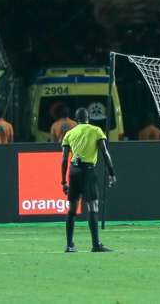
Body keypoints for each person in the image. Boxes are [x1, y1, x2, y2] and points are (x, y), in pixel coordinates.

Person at [61, 107, 116, 253]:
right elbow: (105, 152)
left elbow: (64, 159)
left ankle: (69, 245)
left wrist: (63, 181)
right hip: (87, 171)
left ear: (76, 119)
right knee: (93, 206)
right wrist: (111, 173)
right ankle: (96, 244)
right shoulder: (96, 130)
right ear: (88, 118)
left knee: (72, 208)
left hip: (73, 172)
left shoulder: (69, 133)